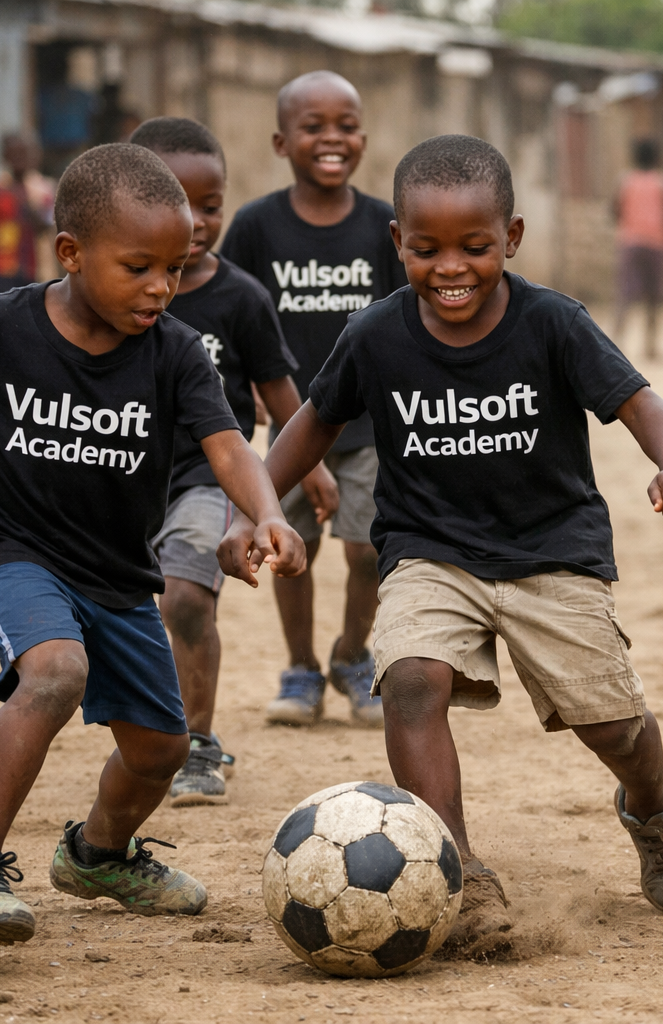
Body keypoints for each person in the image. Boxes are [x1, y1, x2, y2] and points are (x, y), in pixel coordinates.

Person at [219, 135, 663, 955]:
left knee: (612, 723)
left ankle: (654, 808)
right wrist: (253, 509)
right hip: (430, 552)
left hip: (552, 550)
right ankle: (458, 871)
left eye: (475, 247)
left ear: (511, 238)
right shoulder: (376, 334)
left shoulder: (553, 322)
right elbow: (314, 419)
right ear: (397, 243)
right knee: (409, 682)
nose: (452, 266)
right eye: (427, 248)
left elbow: (640, 401)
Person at [0, 144, 304, 944]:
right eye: (138, 266)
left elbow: (227, 446)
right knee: (55, 672)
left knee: (161, 747)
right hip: (3, 546)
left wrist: (267, 513)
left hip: (111, 570)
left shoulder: (173, 351)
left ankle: (99, 855)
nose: (161, 287)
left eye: (174, 269)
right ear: (69, 254)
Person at [128, 117, 337, 807]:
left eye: (211, 205)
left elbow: (280, 390)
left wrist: (308, 466)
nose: (196, 222)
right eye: (176, 204)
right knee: (127, 614)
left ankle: (199, 742)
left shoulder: (240, 296)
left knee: (186, 598)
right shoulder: (107, 297)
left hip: (207, 474)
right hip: (121, 478)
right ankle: (152, 733)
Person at [221, 70, 408, 729]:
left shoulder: (387, 225)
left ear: (363, 136)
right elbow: (231, 317)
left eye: (347, 125)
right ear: (281, 142)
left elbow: (409, 322)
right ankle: (300, 669)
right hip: (296, 432)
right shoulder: (254, 227)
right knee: (290, 549)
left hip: (371, 427)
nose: (333, 138)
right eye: (313, 127)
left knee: (368, 551)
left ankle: (353, 656)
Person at [612, 138, 663, 360]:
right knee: (654, 296)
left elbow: (614, 210)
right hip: (657, 244)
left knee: (625, 294)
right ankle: (650, 347)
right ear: (657, 158)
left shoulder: (624, 181)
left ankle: (614, 345)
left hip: (630, 242)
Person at [0, 132, 55, 294]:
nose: (19, 159)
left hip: (35, 271)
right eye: (14, 154)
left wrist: (30, 203)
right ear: (4, 156)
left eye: (24, 153)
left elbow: (47, 226)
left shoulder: (43, 190)